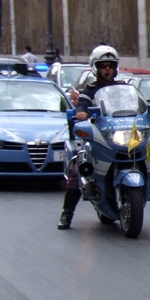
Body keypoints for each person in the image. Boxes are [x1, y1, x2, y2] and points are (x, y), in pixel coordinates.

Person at [57, 45, 123, 230]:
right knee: (80, 169)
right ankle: (67, 214)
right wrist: (81, 113)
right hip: (97, 139)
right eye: (104, 65)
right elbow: (82, 106)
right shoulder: (89, 90)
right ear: (96, 67)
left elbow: (135, 105)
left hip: (119, 138)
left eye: (111, 65)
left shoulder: (123, 88)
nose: (107, 69)